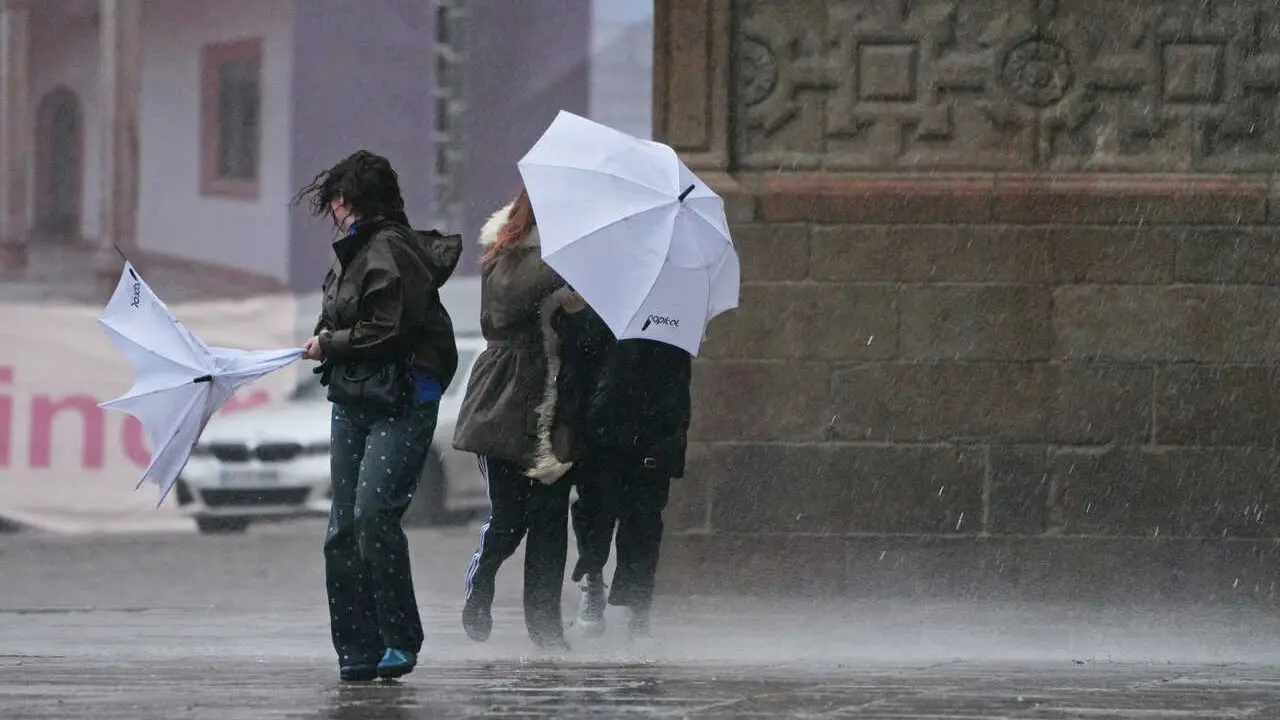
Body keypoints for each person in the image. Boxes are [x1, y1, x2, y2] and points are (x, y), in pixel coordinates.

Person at [296, 150, 462, 682]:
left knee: (372, 516)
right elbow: (340, 315)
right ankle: (356, 649)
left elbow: (388, 329)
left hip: (401, 398)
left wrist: (331, 344)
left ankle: (398, 639)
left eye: (337, 201)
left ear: (349, 201)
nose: (334, 210)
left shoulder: (390, 250)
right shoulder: (351, 253)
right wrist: (327, 336)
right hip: (353, 399)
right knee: (341, 529)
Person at [452, 187, 593, 652]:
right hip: (506, 398)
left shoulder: (573, 261)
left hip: (556, 403)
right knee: (510, 517)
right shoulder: (505, 249)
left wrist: (580, 305)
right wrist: (563, 271)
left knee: (550, 521)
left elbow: (586, 337)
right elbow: (510, 299)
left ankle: (546, 627)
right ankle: (483, 578)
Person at [570, 337, 693, 640]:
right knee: (595, 513)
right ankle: (593, 579)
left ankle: (637, 606)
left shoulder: (669, 326)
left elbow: (677, 390)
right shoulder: (597, 314)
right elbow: (578, 368)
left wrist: (668, 443)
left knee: (643, 523)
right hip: (601, 433)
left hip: (650, 433)